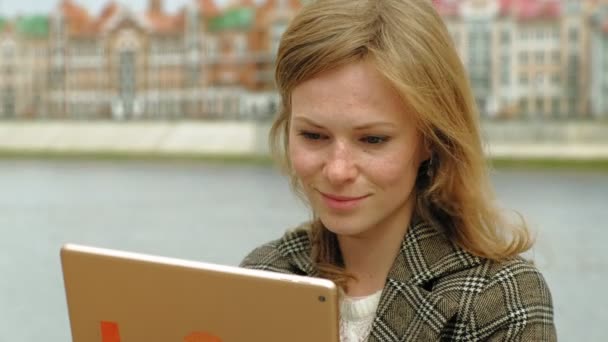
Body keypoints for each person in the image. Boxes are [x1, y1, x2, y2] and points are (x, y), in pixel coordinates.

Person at [240, 0, 556, 341]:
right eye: (314, 136)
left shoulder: (500, 299)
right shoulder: (264, 274)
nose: (338, 170)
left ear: (430, 139)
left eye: (373, 139)